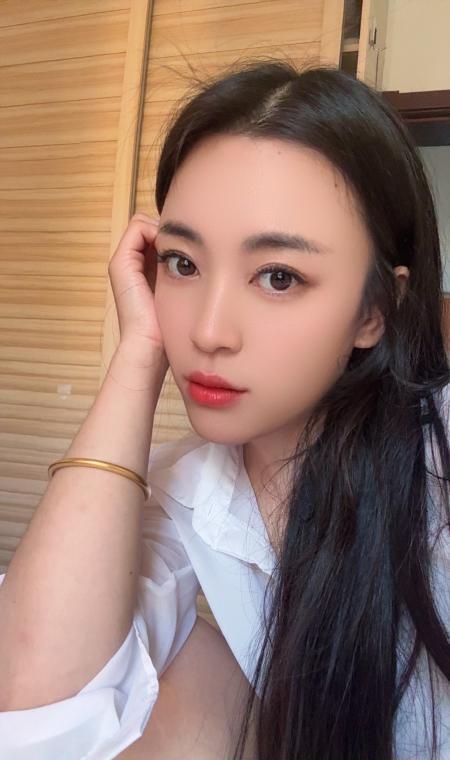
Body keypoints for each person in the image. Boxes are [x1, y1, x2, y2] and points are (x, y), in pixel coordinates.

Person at [0, 57, 448, 760]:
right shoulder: (189, 486)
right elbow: (35, 706)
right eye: (182, 263)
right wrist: (138, 355)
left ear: (374, 311)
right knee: (153, 672)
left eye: (279, 277)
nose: (208, 332)